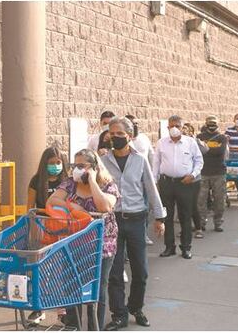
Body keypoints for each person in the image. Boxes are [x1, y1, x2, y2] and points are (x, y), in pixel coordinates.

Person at [101, 117, 166, 331]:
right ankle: (118, 314)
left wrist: (160, 217)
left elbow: (150, 187)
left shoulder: (140, 160)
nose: (115, 137)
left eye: (120, 134)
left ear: (129, 136)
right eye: (112, 133)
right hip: (113, 221)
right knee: (115, 271)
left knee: (141, 270)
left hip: (137, 219)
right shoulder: (103, 160)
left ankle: (136, 307)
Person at [49, 149, 119, 331]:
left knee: (97, 291)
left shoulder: (107, 184)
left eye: (81, 166)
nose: (76, 170)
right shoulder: (70, 184)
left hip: (101, 246)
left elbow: (104, 206)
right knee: (72, 289)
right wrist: (70, 205)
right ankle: (74, 326)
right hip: (74, 244)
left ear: (94, 167)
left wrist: (93, 181)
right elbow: (52, 200)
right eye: (74, 166)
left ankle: (94, 328)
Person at [24, 146, 65, 325]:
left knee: (60, 269)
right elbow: (30, 208)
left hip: (62, 229)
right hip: (42, 228)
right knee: (39, 269)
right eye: (51, 163)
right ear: (44, 164)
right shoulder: (36, 181)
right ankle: (38, 308)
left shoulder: (67, 181)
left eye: (58, 162)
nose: (55, 166)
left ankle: (62, 309)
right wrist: (47, 211)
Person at [153, 115, 203, 259]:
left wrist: (193, 175)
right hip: (166, 183)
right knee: (166, 216)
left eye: (177, 126)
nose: (174, 128)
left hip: (185, 183)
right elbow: (156, 163)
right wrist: (154, 182)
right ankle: (169, 247)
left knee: (185, 216)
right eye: (171, 126)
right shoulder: (162, 143)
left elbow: (199, 161)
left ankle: (186, 248)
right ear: (167, 127)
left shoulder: (190, 143)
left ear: (183, 127)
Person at [196, 116, 229, 233]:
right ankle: (201, 223)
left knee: (219, 200)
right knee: (201, 200)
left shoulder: (222, 137)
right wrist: (212, 150)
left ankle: (218, 222)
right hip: (203, 173)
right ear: (206, 124)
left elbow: (220, 152)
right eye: (210, 123)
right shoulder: (199, 137)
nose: (212, 125)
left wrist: (206, 149)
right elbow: (199, 152)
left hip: (219, 173)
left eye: (214, 123)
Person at [183, 123, 205, 237]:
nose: (183, 131)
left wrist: (195, 140)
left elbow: (205, 150)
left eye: (186, 129)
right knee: (183, 205)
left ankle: (198, 228)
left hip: (194, 179)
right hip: (181, 180)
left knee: (192, 204)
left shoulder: (194, 142)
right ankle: (185, 229)